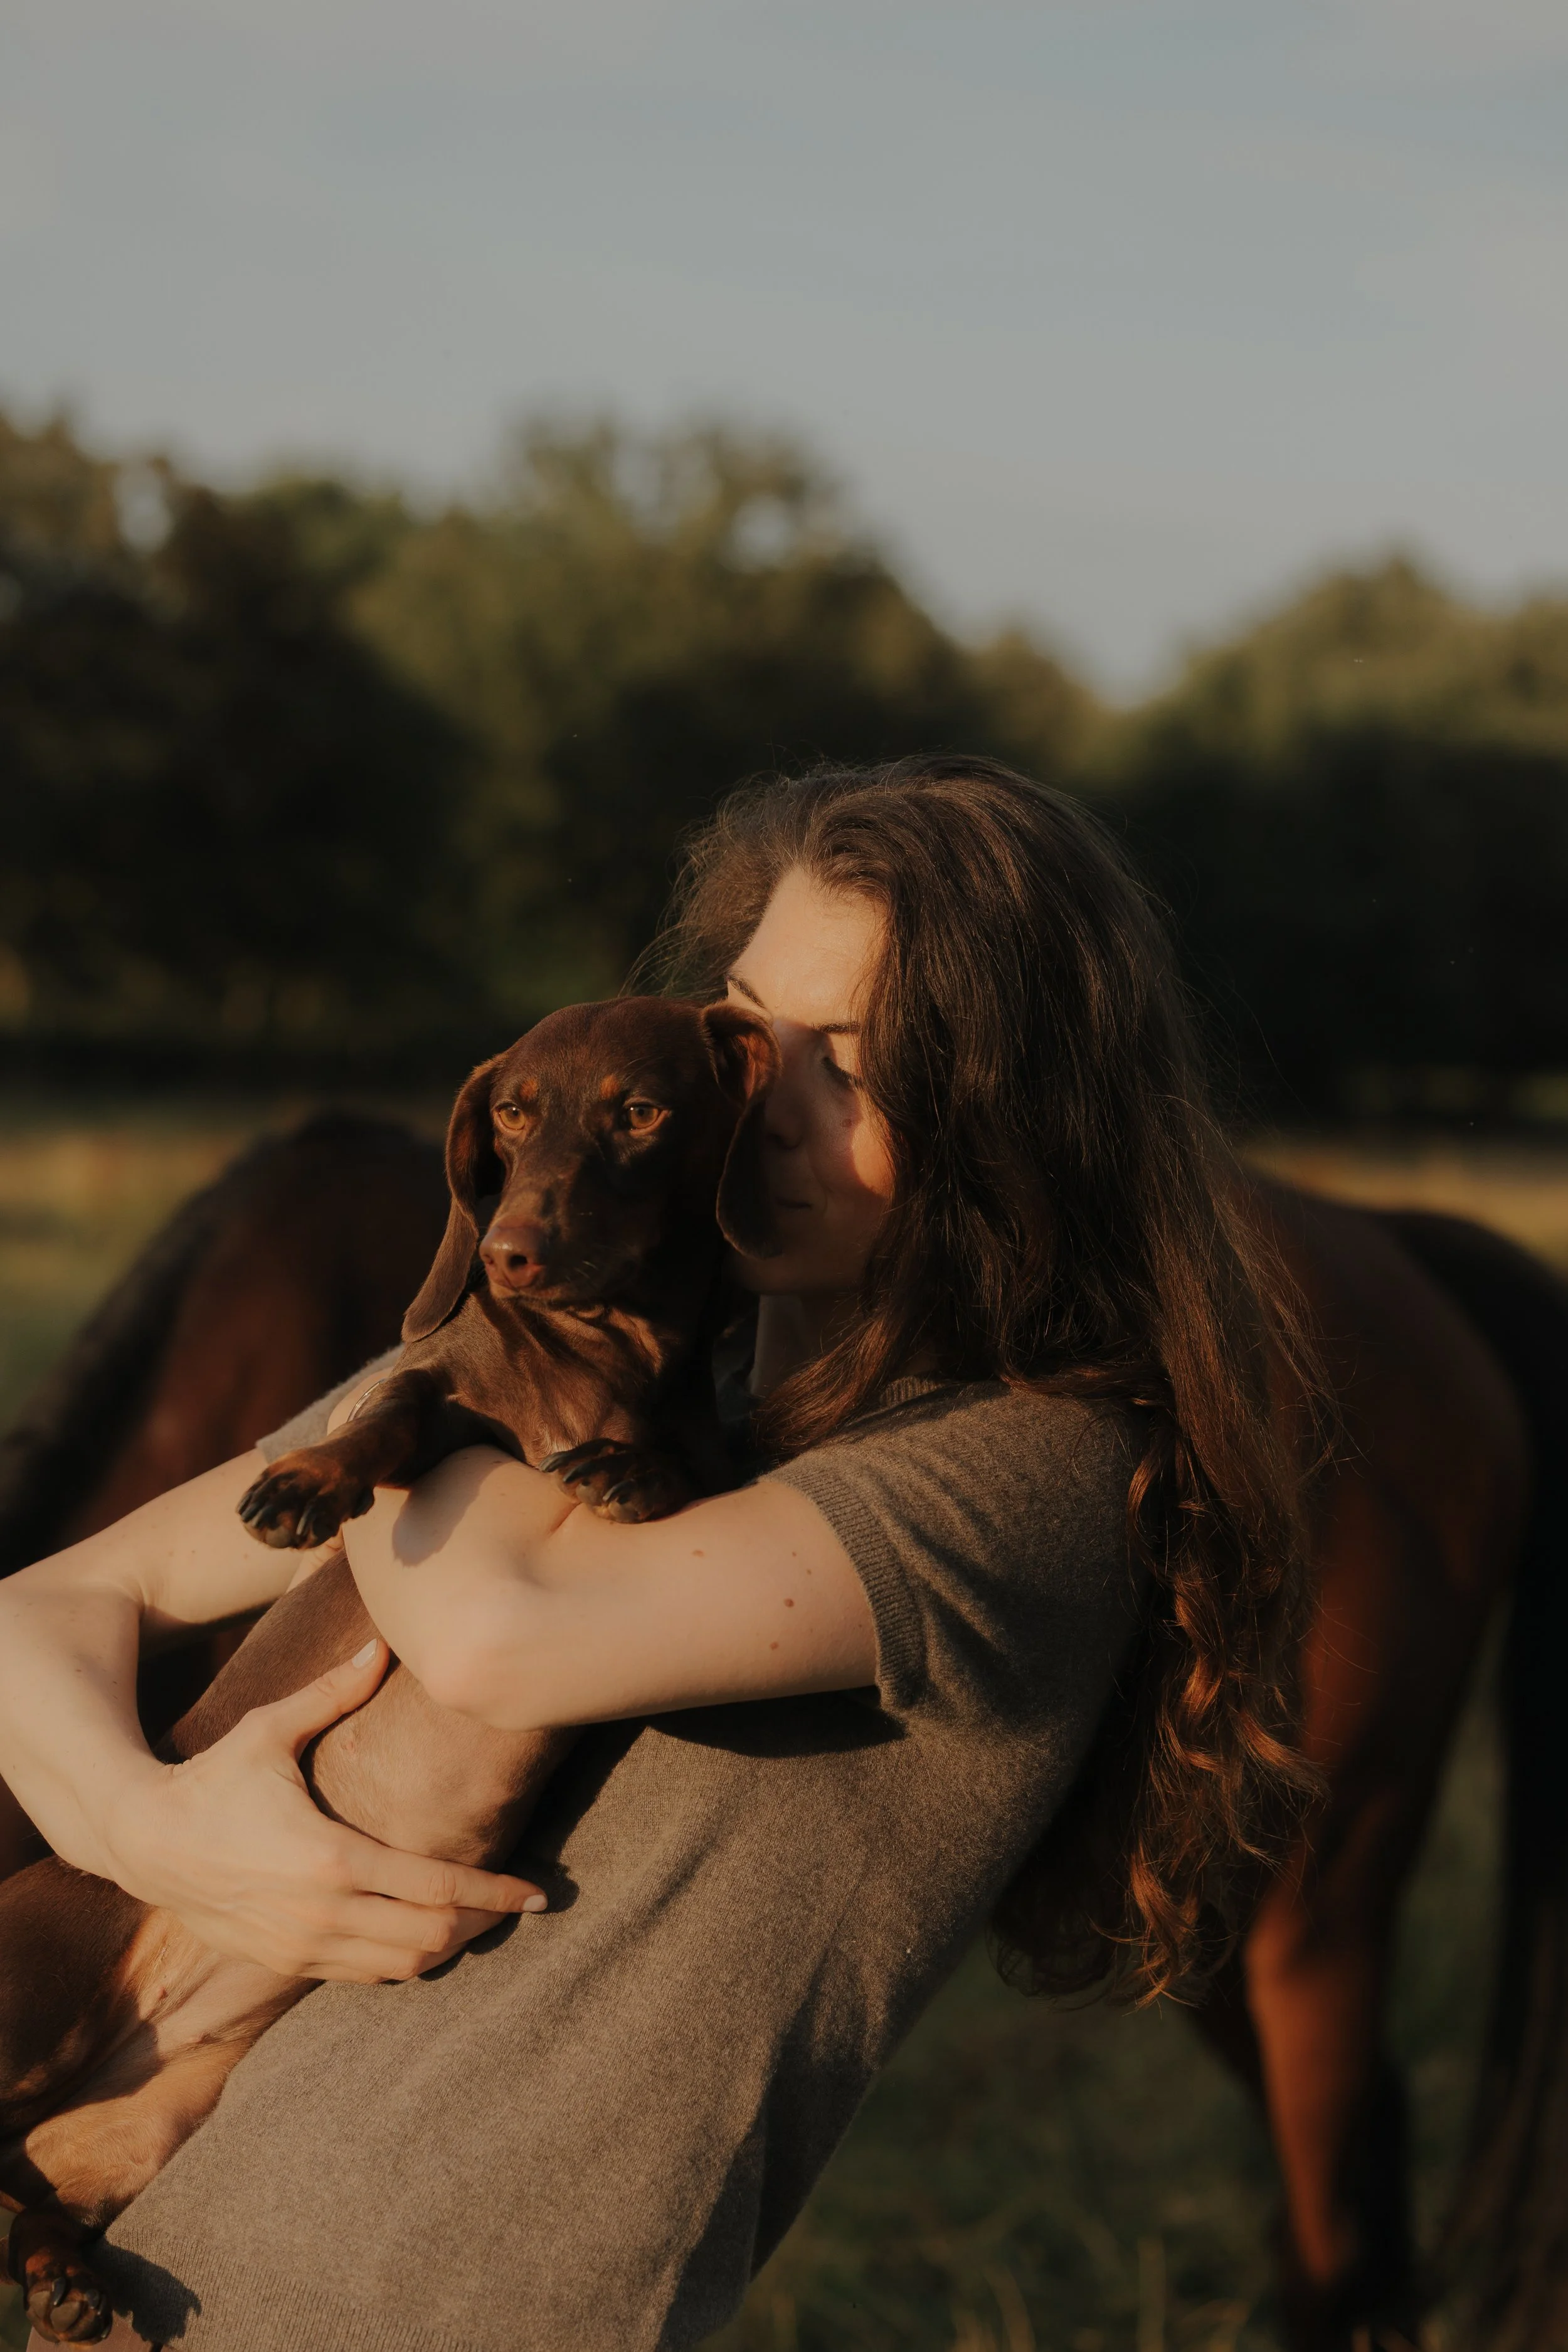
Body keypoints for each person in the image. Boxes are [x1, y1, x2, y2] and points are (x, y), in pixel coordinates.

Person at [0, 756, 1315, 2352]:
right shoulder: (568, 1344)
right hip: (152, 2258)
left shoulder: (1026, 1470)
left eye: (854, 1064)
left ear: (1008, 1112)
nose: (762, 1097)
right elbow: (48, 1603)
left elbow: (497, 1631)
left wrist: (439, 1398)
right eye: (754, 1028)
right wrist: (153, 1831)